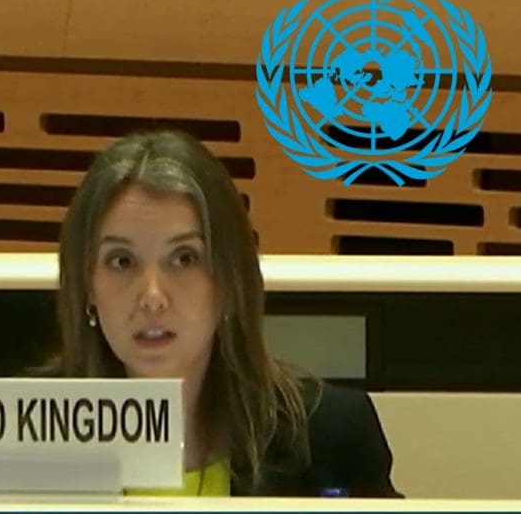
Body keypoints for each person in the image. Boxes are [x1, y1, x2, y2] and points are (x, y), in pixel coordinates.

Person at [54, 129, 402, 497]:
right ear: (87, 285)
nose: (152, 297)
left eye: (184, 258)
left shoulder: (329, 437)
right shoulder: (21, 432)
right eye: (122, 261)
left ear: (227, 280)